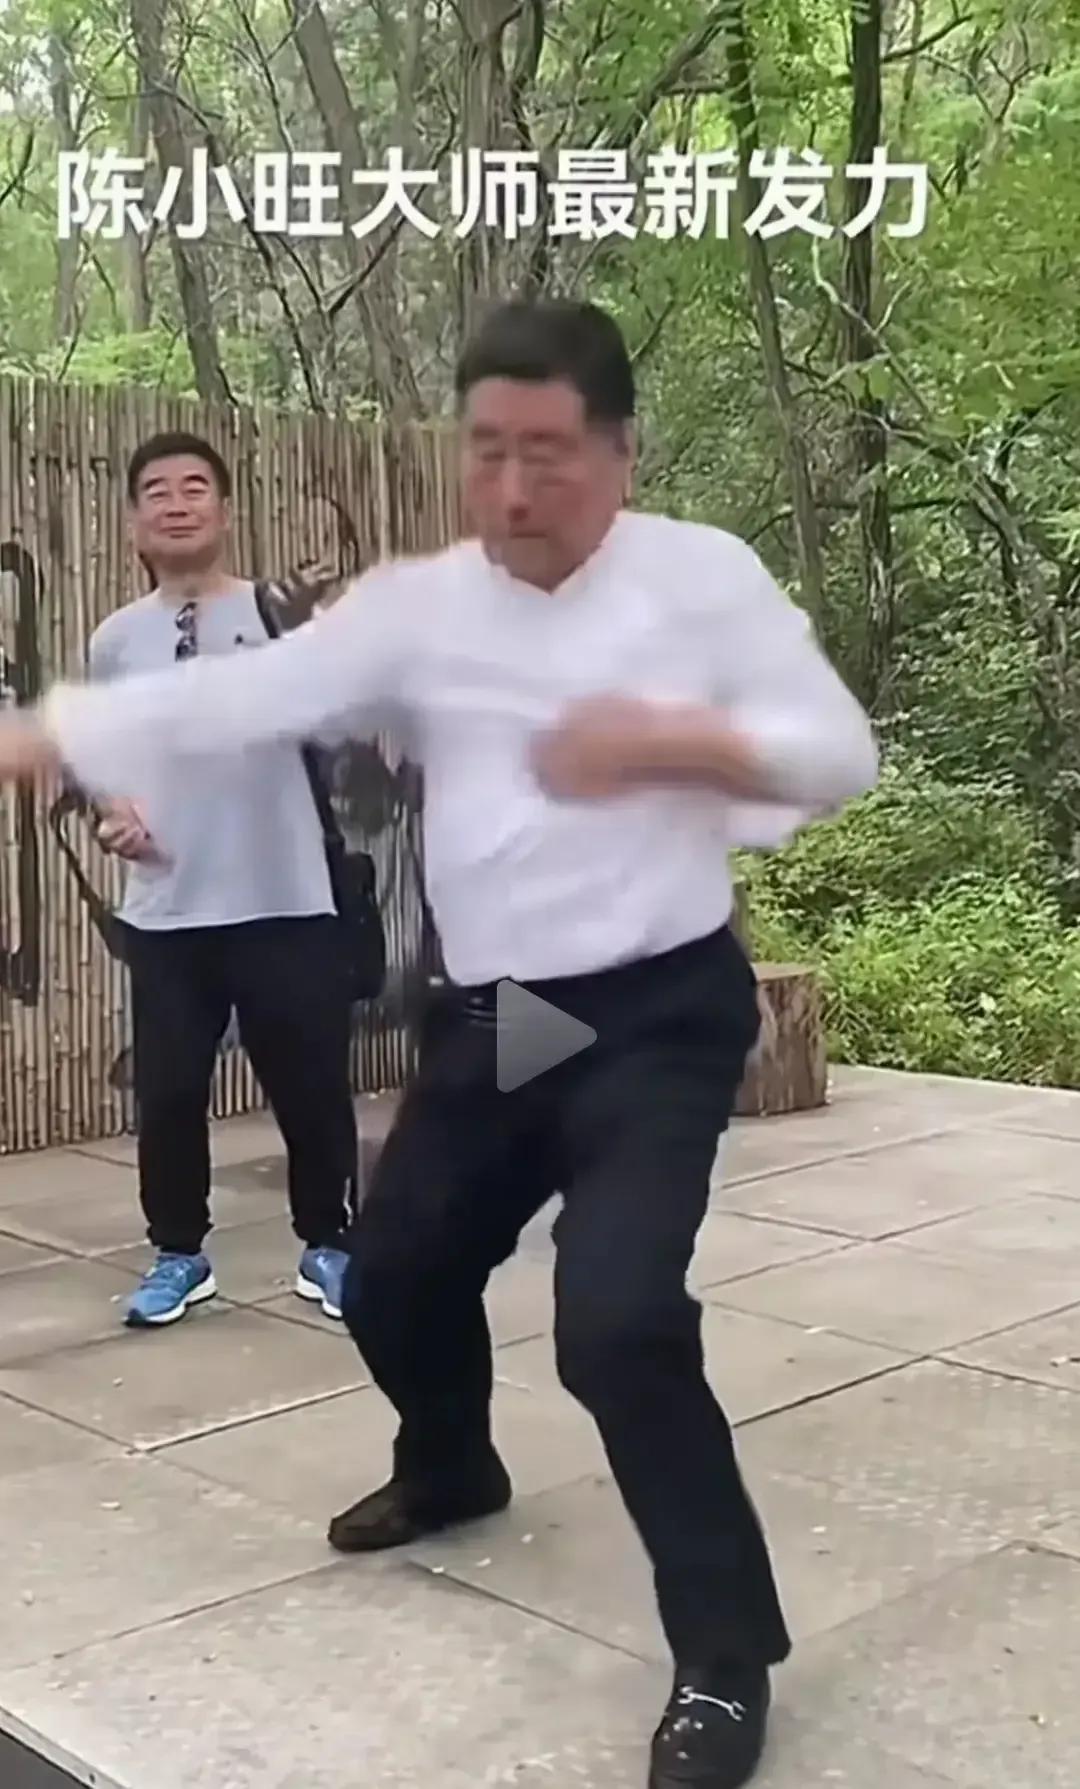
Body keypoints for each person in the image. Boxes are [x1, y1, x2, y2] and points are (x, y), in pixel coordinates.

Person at [0, 301, 876, 1788]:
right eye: (488, 453)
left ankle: (726, 1656)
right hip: (511, 1015)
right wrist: (53, 735)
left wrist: (678, 744)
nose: (515, 490)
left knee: (616, 1320)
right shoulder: (424, 608)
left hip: (655, 1011)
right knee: (397, 1273)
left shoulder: (699, 581)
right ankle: (452, 1461)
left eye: (550, 454)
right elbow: (244, 693)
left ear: (620, 453)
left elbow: (838, 750)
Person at [71, 432, 358, 1328]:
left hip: (285, 897)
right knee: (167, 1094)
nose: (177, 502)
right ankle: (179, 1254)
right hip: (168, 912)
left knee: (311, 1088)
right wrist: (111, 810)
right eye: (156, 490)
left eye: (195, 486)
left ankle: (330, 1244)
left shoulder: (280, 615)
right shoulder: (115, 640)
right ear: (134, 522)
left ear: (225, 512)